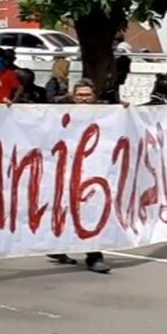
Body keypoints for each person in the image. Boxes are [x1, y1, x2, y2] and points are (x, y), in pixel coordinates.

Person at [47, 79, 113, 273]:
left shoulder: (107, 113)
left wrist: (125, 109)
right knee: (63, 209)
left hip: (93, 170)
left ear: (94, 96)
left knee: (92, 211)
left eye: (87, 95)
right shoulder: (60, 111)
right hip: (66, 168)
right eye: (80, 95)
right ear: (72, 96)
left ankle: (94, 256)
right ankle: (59, 247)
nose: (83, 99)